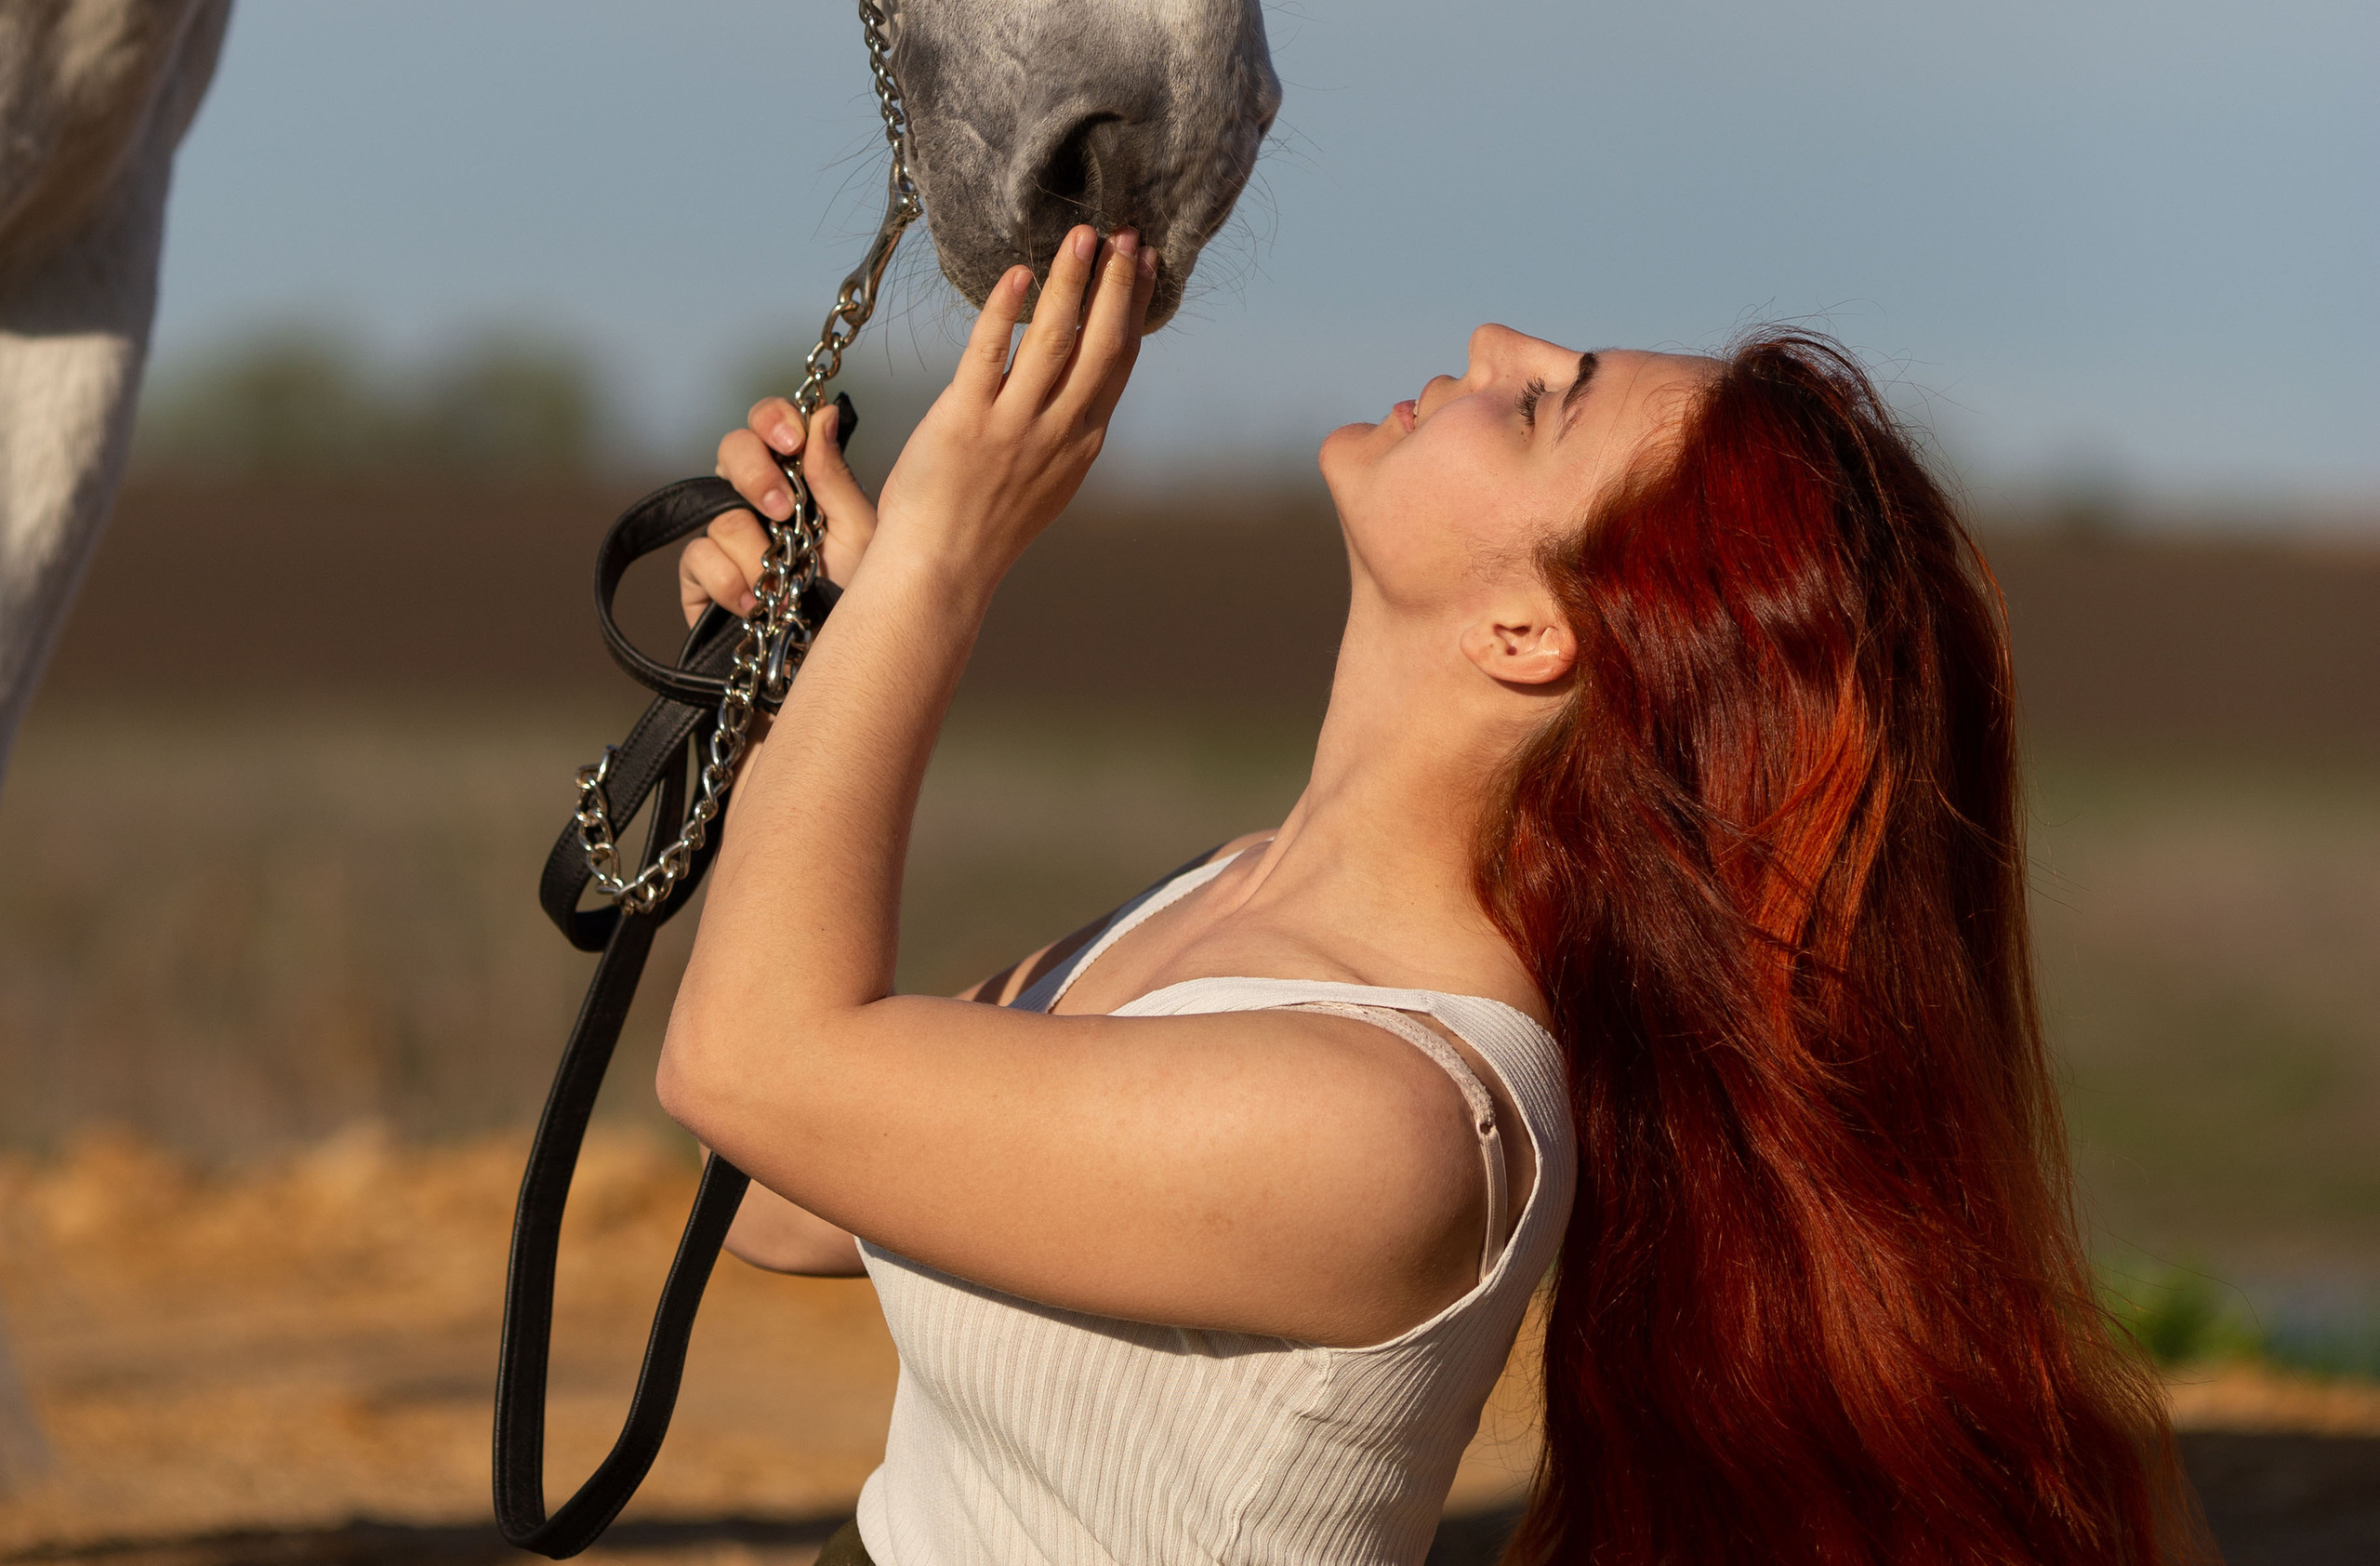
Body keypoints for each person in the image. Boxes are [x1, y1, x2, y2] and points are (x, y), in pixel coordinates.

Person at [659, 230, 2196, 1566]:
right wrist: (829, 653)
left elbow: (749, 1069)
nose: (1491, 347)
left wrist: (937, 560)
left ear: (1529, 628)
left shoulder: (1395, 1120)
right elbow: (791, 1192)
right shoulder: (1234, 902)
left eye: (1541, 405)